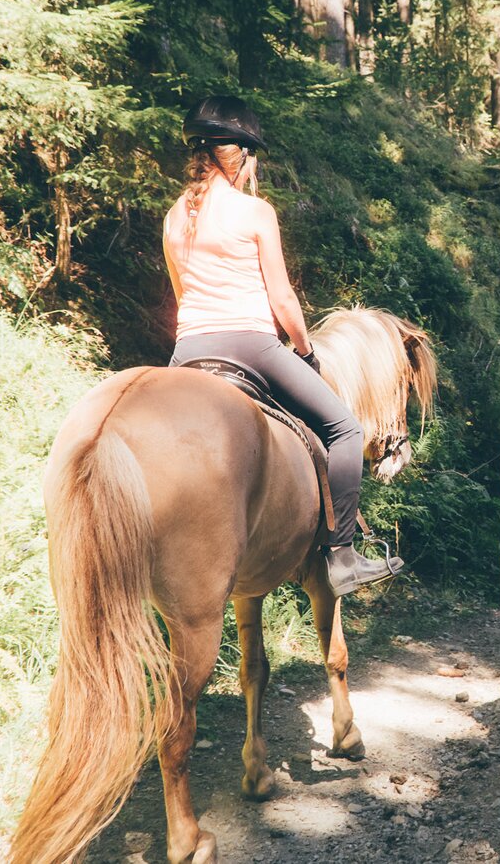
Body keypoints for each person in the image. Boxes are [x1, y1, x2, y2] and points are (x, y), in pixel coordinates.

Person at [162, 95, 401, 596]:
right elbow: (283, 298)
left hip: (186, 352)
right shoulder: (255, 211)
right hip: (250, 346)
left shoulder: (173, 217)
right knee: (345, 429)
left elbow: (183, 295)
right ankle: (341, 556)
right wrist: (306, 350)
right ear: (243, 157)